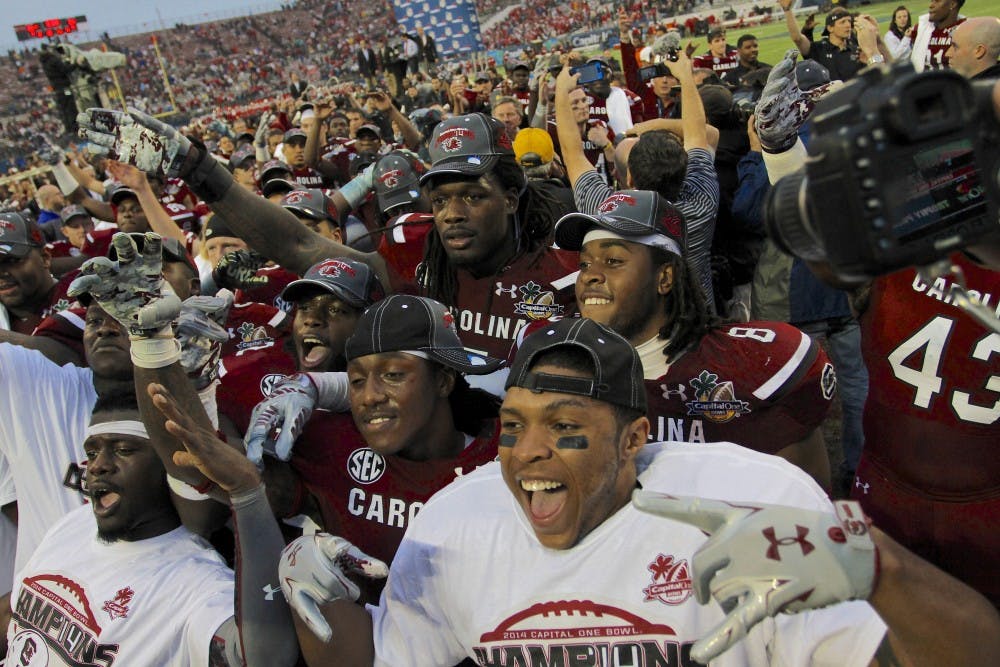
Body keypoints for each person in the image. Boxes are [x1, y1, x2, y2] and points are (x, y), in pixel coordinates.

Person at [278, 317, 1000, 666]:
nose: (528, 450)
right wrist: (325, 607)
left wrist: (882, 569)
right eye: (513, 424)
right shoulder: (456, 523)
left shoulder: (748, 501)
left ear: (634, 438)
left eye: (564, 425)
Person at [75, 108, 578, 361]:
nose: (451, 214)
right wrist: (199, 167)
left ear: (510, 197)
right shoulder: (414, 248)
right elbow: (300, 246)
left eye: (471, 195)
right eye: (441, 198)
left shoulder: (566, 275)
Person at [553, 189, 835, 489]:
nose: (589, 276)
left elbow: (806, 506)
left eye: (612, 260)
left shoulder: (750, 365)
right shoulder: (562, 361)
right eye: (585, 263)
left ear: (664, 278)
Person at [2, 392, 298, 665]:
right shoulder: (74, 524)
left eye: (123, 450)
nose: (98, 466)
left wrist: (247, 494)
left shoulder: (195, 584)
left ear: (172, 468)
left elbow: (265, 658)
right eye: (92, 453)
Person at [555, 57, 720, 310]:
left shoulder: (606, 210)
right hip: (697, 322)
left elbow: (572, 154)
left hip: (633, 332)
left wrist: (561, 92)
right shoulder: (701, 203)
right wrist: (686, 78)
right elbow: (698, 135)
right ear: (685, 171)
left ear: (629, 176)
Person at [910, 0, 966, 71]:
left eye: (937, 1)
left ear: (952, 4)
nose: (931, 5)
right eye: (931, 1)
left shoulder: (965, 30)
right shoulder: (920, 29)